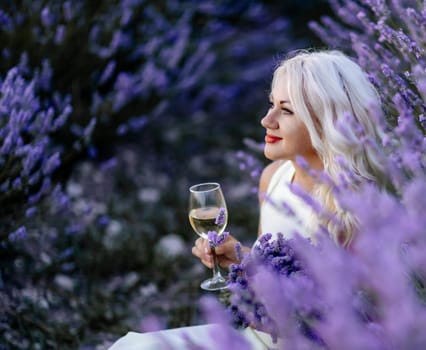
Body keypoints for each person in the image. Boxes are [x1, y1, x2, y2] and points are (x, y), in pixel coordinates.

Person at [109, 49, 385, 350]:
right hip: (251, 337)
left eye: (287, 110)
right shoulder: (273, 178)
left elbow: (355, 319)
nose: (267, 120)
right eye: (271, 105)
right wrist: (238, 256)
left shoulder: (352, 207)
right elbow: (270, 264)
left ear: (324, 123)